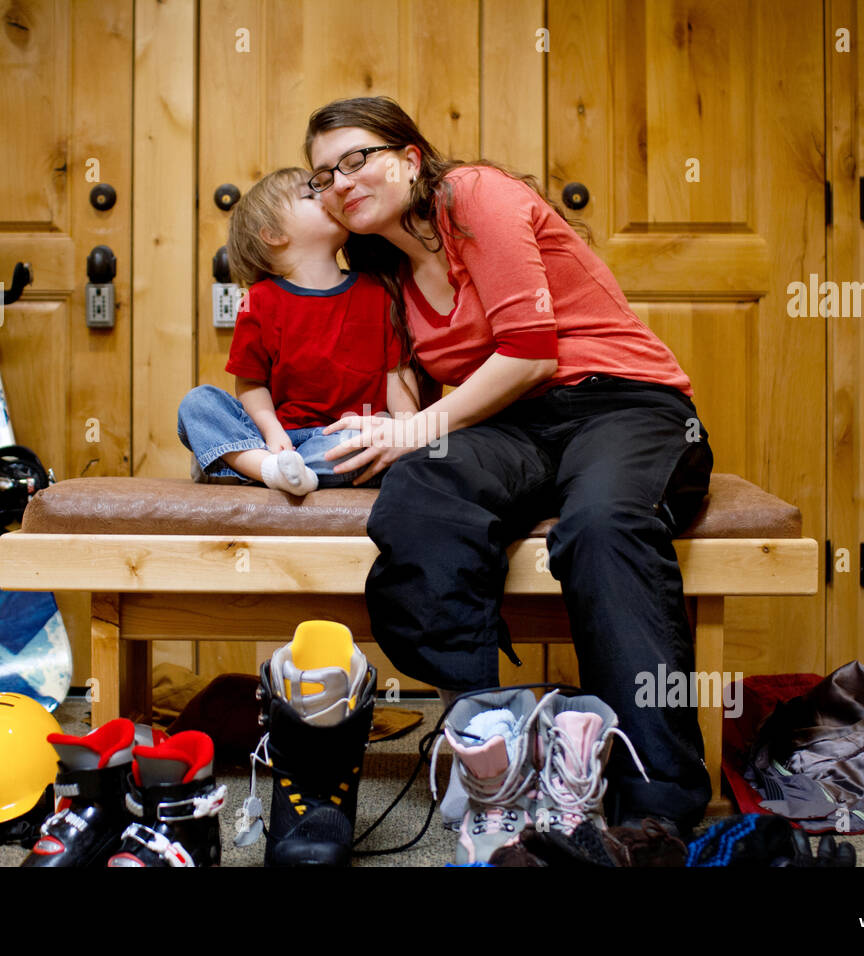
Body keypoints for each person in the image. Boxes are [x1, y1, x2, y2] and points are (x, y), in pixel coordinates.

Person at [303, 97, 716, 836]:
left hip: (624, 403)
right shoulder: (387, 270)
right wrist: (394, 432)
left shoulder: (475, 194)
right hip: (515, 425)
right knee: (423, 488)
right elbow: (427, 395)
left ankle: (657, 808)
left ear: (410, 157)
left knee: (601, 525)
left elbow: (530, 351)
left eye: (357, 158)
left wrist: (419, 426)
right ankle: (490, 742)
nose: (340, 180)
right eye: (323, 174)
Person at [178, 167, 418, 494]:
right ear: (273, 234)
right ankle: (267, 467)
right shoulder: (259, 301)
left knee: (374, 443)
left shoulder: (379, 294)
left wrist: (406, 430)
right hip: (281, 438)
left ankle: (243, 464)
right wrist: (272, 432)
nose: (329, 195)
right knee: (198, 403)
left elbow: (397, 375)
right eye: (310, 194)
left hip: (344, 437)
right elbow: (249, 384)